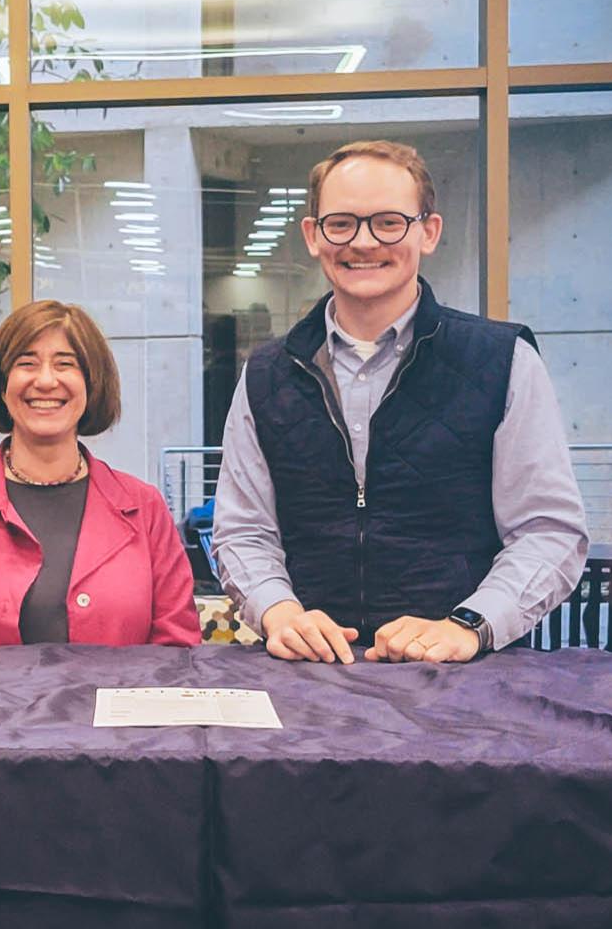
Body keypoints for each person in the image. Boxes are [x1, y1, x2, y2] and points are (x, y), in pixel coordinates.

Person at [213, 140, 588, 665]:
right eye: (341, 224)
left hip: (466, 675)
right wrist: (279, 612)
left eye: (389, 223)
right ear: (313, 235)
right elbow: (243, 531)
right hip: (308, 674)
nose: (363, 242)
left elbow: (548, 531)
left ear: (428, 231)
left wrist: (469, 626)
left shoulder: (504, 360)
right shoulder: (265, 374)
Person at [0, 301, 200, 646]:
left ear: (92, 384)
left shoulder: (145, 508)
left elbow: (176, 649)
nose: (47, 381)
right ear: (2, 385)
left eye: (65, 364)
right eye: (27, 363)